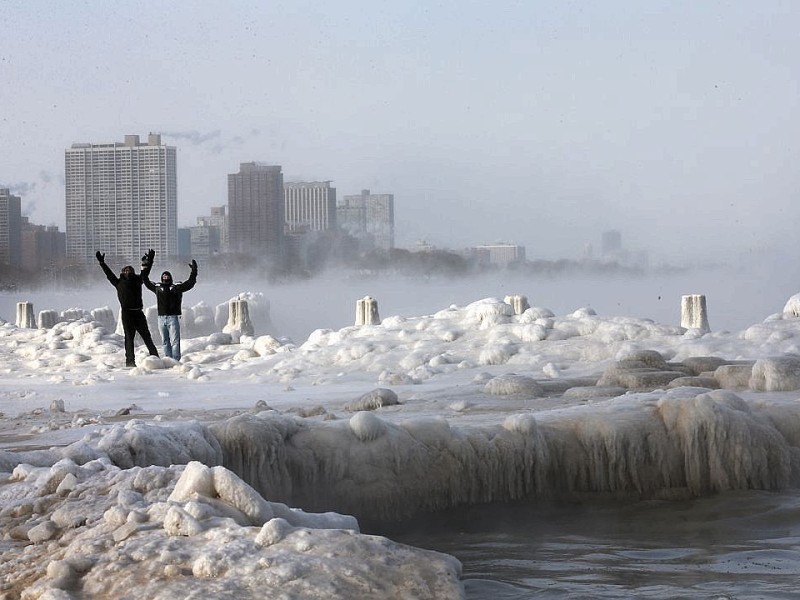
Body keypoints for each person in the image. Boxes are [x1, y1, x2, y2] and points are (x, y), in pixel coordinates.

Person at [96, 249, 160, 367]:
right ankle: (130, 362)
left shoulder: (138, 280)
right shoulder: (118, 282)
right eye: (126, 270)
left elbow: (146, 272)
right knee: (129, 339)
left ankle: (155, 357)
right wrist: (102, 263)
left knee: (147, 337)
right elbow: (108, 274)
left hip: (138, 313)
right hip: (127, 314)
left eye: (130, 270)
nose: (128, 271)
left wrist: (150, 260)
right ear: (122, 273)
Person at [143, 259, 198, 361]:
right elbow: (145, 280)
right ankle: (168, 359)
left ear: (170, 278)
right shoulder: (158, 287)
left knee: (175, 341)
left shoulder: (176, 287)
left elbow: (190, 283)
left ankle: (176, 359)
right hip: (161, 318)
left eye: (167, 276)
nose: (165, 278)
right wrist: (145, 266)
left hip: (173, 317)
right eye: (164, 276)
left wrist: (194, 271)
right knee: (164, 341)